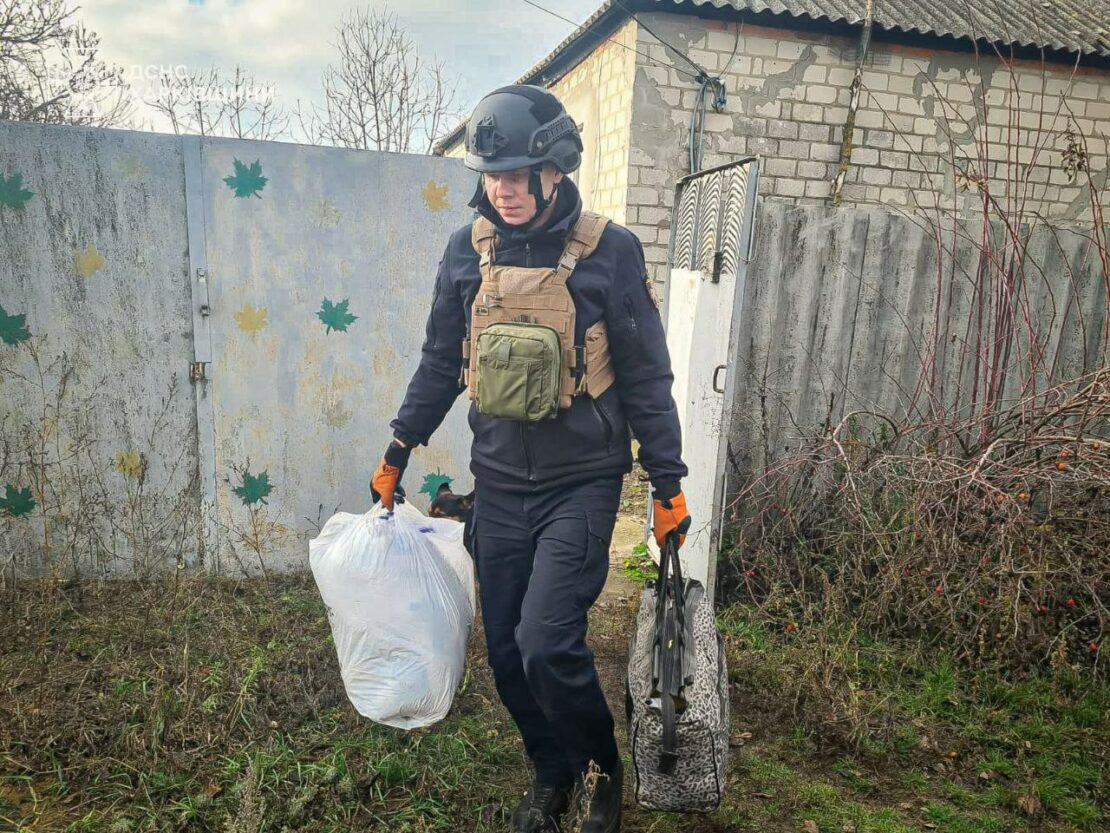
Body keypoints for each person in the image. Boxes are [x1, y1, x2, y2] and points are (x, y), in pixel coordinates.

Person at [371, 85, 690, 833]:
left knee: (549, 641)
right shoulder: (465, 250)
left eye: (517, 173)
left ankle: (601, 771)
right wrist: (397, 446)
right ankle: (550, 771)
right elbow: (440, 361)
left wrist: (667, 484)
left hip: (581, 484)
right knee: (510, 655)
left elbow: (646, 376)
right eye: (491, 175)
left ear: (555, 168)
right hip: (500, 486)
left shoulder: (610, 250)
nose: (502, 189)